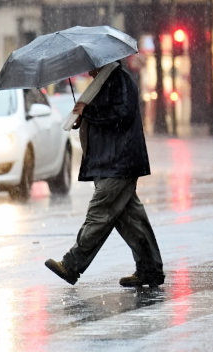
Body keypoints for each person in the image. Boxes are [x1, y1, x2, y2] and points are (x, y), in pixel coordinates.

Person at [45, 61, 165, 288]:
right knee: (131, 220)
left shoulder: (119, 80)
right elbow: (107, 116)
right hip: (111, 161)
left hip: (118, 162)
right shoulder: (106, 81)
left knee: (99, 214)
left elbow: (122, 115)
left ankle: (71, 265)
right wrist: (84, 117)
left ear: (102, 62)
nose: (88, 69)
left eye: (91, 64)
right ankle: (150, 270)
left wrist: (89, 111)